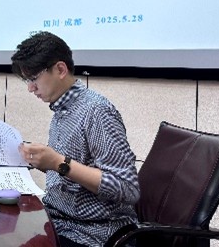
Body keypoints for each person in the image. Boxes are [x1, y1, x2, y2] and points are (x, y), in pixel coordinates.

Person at [12, 31, 139, 247]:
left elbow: (127, 188)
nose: (30, 88)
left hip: (94, 233)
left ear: (60, 69)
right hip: (59, 220)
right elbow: (73, 170)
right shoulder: (62, 109)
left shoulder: (96, 111)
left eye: (33, 79)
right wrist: (42, 162)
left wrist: (58, 163)